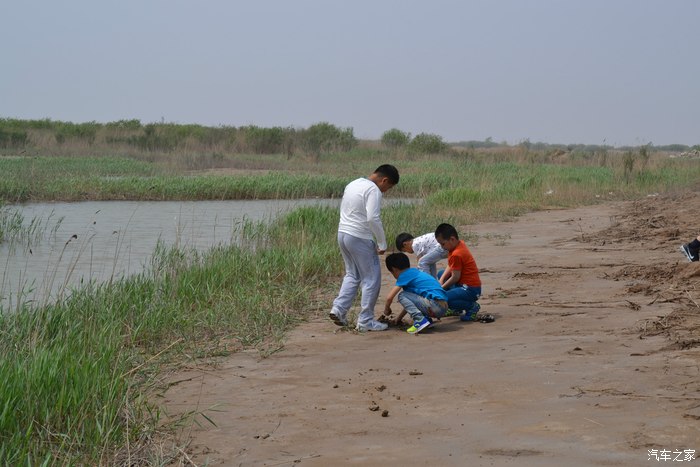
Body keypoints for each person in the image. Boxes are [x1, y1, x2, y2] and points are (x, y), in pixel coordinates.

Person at [329, 164, 400, 331]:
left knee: (352, 274)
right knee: (371, 278)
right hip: (359, 236)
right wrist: (382, 243)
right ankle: (366, 320)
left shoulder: (353, 184)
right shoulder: (373, 190)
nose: (385, 191)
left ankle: (338, 309)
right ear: (384, 180)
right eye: (388, 188)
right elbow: (373, 218)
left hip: (343, 234)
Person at [382, 252, 449, 334]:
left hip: (434, 305)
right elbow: (411, 304)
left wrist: (386, 309)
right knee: (412, 296)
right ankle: (426, 320)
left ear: (394, 269)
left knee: (402, 295)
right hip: (443, 306)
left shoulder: (404, 275)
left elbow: (389, 298)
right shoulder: (415, 272)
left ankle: (420, 320)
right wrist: (398, 319)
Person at [434, 223, 483, 321]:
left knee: (444, 298)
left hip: (471, 289)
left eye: (443, 244)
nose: (442, 247)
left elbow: (455, 277)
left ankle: (472, 307)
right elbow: (451, 265)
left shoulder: (457, 253)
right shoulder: (458, 244)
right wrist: (442, 279)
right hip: (462, 283)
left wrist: (440, 289)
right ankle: (456, 309)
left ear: (452, 239)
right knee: (441, 274)